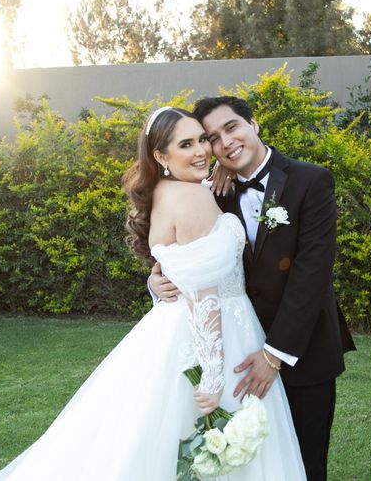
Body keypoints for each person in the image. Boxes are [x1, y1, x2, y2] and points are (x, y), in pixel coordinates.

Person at [0, 106, 306, 480]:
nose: (203, 151)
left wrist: (158, 282)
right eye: (186, 144)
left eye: (202, 139)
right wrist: (213, 378)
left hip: (175, 331)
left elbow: (178, 270)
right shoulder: (194, 198)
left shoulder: (166, 192)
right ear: (160, 155)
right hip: (218, 338)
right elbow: (204, 296)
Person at [149, 96, 357, 481]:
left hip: (302, 352)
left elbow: (311, 276)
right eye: (212, 137)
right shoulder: (211, 191)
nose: (224, 143)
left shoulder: (311, 181)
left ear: (254, 124)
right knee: (253, 464)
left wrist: (274, 354)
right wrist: (157, 281)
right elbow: (189, 256)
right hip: (238, 355)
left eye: (231, 128)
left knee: (306, 466)